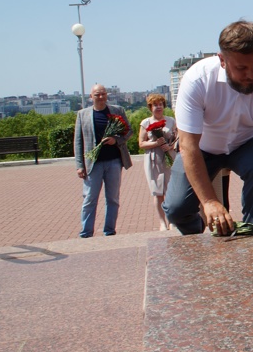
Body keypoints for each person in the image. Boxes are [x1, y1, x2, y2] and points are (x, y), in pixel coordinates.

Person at [163, 20, 253, 236]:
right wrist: (209, 202)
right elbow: (189, 146)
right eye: (242, 68)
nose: (251, 75)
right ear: (222, 60)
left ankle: (249, 231)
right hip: (202, 148)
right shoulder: (196, 80)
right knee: (176, 208)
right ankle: (197, 233)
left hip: (246, 142)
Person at [74, 84, 133, 238]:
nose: (100, 97)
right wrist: (80, 166)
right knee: (89, 199)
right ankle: (86, 232)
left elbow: (129, 131)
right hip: (92, 164)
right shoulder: (83, 114)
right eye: (97, 94)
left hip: (113, 161)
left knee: (113, 198)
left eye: (103, 94)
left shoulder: (117, 111)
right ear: (91, 97)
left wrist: (116, 140)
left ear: (107, 95)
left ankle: (109, 230)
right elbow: (78, 142)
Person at [138, 93, 177, 231]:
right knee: (158, 192)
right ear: (150, 107)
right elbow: (141, 144)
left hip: (169, 158)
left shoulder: (171, 120)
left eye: (160, 104)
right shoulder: (145, 123)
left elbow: (177, 138)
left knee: (171, 191)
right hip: (153, 160)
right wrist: (155, 143)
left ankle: (172, 221)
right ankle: (162, 222)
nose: (158, 107)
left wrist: (170, 146)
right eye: (155, 105)